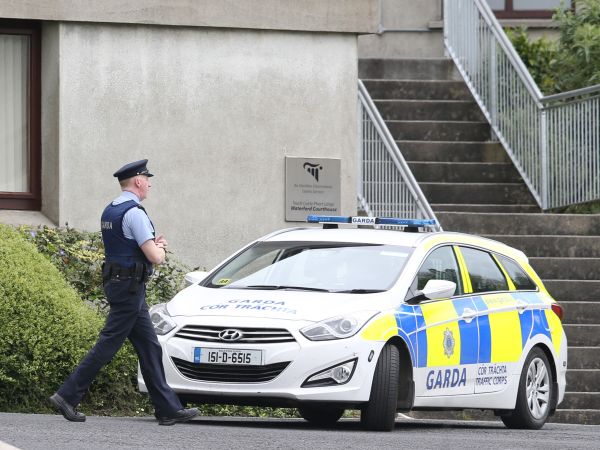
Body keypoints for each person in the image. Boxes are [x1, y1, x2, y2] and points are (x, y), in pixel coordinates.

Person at [50, 159, 198, 426]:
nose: (149, 184)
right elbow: (155, 257)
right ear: (138, 181)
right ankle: (67, 396)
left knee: (149, 346)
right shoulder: (134, 213)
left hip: (121, 284)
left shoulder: (111, 210)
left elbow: (126, 246)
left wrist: (150, 247)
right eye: (147, 180)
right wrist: (161, 247)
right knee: (108, 343)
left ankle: (167, 408)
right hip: (129, 287)